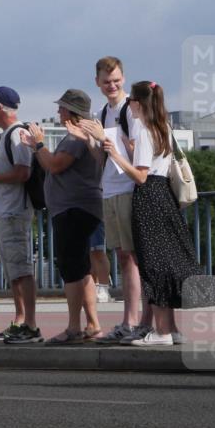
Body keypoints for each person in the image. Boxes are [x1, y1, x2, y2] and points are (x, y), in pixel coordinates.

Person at [103, 81, 198, 346]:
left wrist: (116, 155)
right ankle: (171, 329)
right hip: (164, 196)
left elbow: (141, 176)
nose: (128, 105)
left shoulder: (144, 130)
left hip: (148, 199)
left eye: (131, 99)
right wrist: (131, 151)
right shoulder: (163, 128)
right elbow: (156, 163)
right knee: (166, 262)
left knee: (153, 265)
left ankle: (163, 332)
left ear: (138, 102)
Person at [21, 90, 104, 344]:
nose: (59, 112)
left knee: (70, 268)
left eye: (62, 109)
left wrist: (37, 144)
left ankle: (73, 327)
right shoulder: (84, 135)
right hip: (81, 208)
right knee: (82, 268)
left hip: (73, 209)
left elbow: (54, 164)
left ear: (71, 111)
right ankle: (92, 324)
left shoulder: (76, 138)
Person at [87, 56, 152, 343]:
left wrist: (109, 143)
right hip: (110, 188)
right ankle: (130, 320)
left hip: (128, 187)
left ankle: (135, 320)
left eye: (115, 80)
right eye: (106, 81)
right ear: (98, 82)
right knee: (123, 256)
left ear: (123, 78)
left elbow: (138, 151)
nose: (111, 85)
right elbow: (100, 158)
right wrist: (90, 141)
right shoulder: (102, 112)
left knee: (133, 257)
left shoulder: (130, 109)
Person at [0, 86, 41, 344]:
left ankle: (31, 324)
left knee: (22, 270)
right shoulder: (8, 135)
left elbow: (23, 173)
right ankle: (20, 320)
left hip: (14, 211)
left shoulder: (17, 134)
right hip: (6, 211)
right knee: (13, 270)